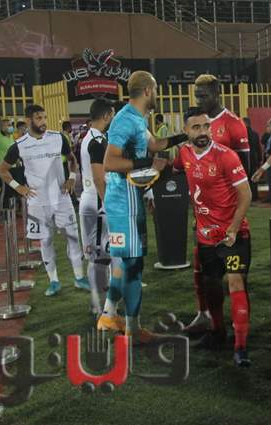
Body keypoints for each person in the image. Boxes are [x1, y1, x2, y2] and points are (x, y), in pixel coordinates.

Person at [98, 71, 187, 343]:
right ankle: (133, 330)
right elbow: (110, 162)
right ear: (148, 90)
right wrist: (148, 164)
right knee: (133, 265)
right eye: (156, 89)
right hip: (123, 202)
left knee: (124, 262)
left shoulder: (136, 118)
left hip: (128, 199)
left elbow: (155, 144)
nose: (157, 94)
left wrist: (185, 136)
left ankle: (108, 315)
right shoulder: (125, 120)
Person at [174, 106, 252, 367]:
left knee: (235, 283)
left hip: (233, 236)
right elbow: (172, 167)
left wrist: (233, 228)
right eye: (196, 127)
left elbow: (246, 194)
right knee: (212, 287)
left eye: (206, 126)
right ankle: (218, 332)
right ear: (186, 131)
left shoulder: (226, 156)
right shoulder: (184, 154)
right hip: (206, 238)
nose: (203, 132)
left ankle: (241, 347)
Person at [0, 104, 89, 296]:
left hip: (62, 199)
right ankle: (54, 281)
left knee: (73, 237)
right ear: (28, 120)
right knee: (45, 241)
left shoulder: (58, 138)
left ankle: (80, 278)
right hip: (38, 203)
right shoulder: (19, 145)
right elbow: (2, 170)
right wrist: (19, 188)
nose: (44, 121)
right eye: (39, 118)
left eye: (45, 117)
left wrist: (72, 178)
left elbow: (72, 159)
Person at [188, 73, 250, 335]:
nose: (199, 100)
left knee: (235, 275)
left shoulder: (234, 124)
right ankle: (204, 315)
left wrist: (231, 213)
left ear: (217, 93)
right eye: (197, 96)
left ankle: (238, 331)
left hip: (228, 216)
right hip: (203, 214)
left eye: (204, 95)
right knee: (202, 269)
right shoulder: (195, 123)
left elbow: (245, 170)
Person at [79, 98, 120, 318]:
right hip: (96, 201)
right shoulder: (96, 141)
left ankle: (99, 303)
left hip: (91, 199)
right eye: (112, 115)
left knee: (101, 255)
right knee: (100, 256)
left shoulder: (92, 137)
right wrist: (107, 203)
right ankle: (100, 305)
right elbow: (98, 177)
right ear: (106, 116)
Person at [0, 118, 17, 208]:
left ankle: (11, 209)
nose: (11, 127)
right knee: (5, 190)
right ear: (3, 127)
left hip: (13, 169)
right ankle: (3, 210)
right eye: (8, 125)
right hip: (3, 170)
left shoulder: (11, 137)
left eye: (11, 125)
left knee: (12, 189)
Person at [243, 117, 261, 202]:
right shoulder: (255, 134)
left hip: (244, 159)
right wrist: (260, 159)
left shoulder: (242, 134)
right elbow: (258, 148)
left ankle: (247, 197)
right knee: (254, 178)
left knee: (245, 179)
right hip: (254, 159)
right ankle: (255, 196)